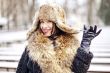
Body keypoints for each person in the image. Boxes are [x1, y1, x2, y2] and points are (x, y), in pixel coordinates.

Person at [16, 3, 102, 73]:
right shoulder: (32, 46)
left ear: (58, 23)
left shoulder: (70, 44)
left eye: (49, 21)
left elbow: (79, 70)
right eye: (42, 22)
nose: (44, 26)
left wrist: (85, 45)